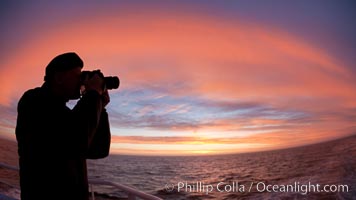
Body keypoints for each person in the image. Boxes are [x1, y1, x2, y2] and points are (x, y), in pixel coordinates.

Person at [15, 52, 111, 200]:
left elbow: (99, 150)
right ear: (59, 78)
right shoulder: (33, 101)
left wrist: (101, 107)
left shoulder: (67, 115)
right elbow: (76, 141)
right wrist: (92, 95)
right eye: (78, 76)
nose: (81, 82)